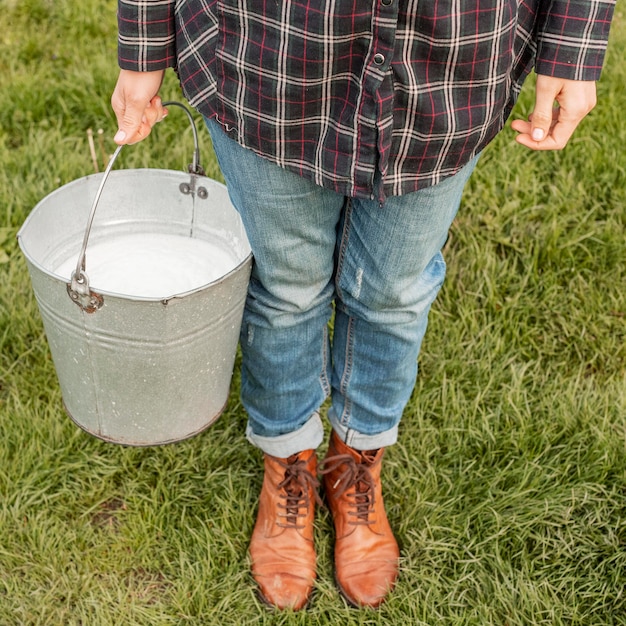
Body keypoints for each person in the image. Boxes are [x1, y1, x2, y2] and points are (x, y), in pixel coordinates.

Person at [111, 0, 615, 610]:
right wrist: (142, 45)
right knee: (286, 288)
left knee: (394, 293)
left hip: (453, 68)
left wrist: (574, 44)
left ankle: (357, 460)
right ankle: (289, 463)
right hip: (272, 59)